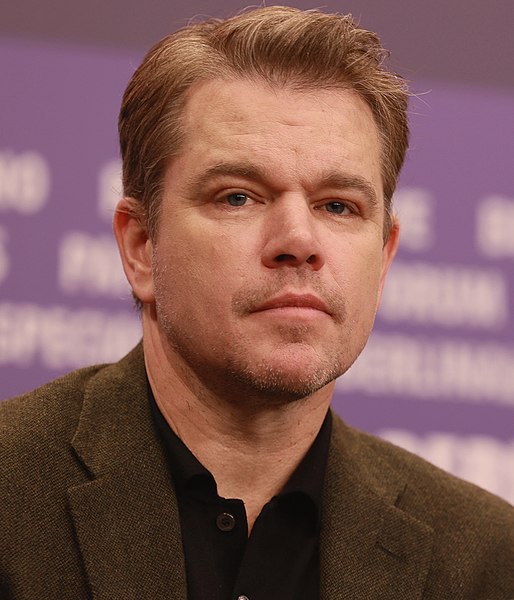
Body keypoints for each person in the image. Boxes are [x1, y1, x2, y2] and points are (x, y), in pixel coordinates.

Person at [1, 6, 513, 599]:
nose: (298, 241)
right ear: (141, 247)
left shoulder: (485, 560)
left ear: (384, 258)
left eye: (338, 205)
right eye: (238, 197)